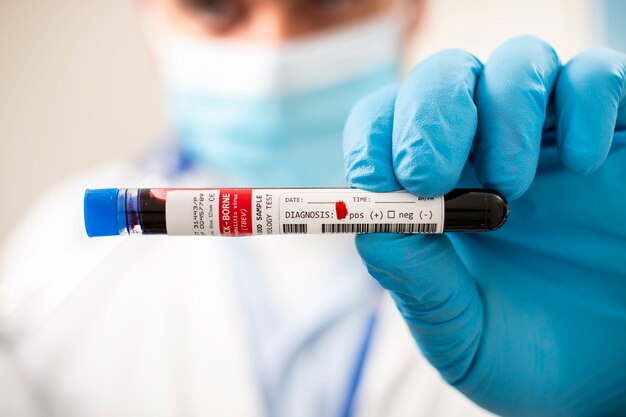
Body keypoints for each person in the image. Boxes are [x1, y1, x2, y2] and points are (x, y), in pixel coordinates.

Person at [1, 0, 625, 416]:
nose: (273, 51)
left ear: (412, 7)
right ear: (149, 14)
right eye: (217, 5)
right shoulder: (53, 270)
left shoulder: (546, 208)